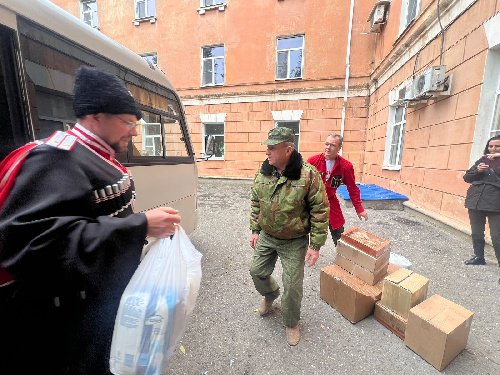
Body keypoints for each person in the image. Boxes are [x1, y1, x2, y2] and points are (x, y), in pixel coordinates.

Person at [0, 66, 181, 374]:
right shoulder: (55, 158)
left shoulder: (94, 155)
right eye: (127, 122)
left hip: (99, 310)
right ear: (96, 116)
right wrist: (139, 226)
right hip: (68, 327)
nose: (134, 131)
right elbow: (37, 245)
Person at [249, 127, 330, 346]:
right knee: (257, 271)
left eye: (272, 148)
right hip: (268, 234)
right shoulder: (263, 172)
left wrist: (316, 245)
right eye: (267, 147)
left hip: (294, 240)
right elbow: (256, 202)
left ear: (288, 149)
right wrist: (255, 230)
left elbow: (320, 210)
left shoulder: (308, 174)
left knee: (293, 284)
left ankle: (291, 322)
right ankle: (270, 294)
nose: (268, 152)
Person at [307, 133, 368, 246]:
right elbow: (302, 184)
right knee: (302, 228)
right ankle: (303, 253)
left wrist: (359, 209)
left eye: (332, 145)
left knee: (338, 229)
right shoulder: (312, 161)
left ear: (339, 148)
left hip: (330, 201)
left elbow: (352, 188)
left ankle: (342, 255)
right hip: (312, 201)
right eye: (326, 144)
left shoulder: (345, 166)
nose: (328, 148)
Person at [463, 135, 500, 283]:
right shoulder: (482, 160)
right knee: (477, 233)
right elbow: (467, 177)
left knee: (497, 237)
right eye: (491, 146)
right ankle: (479, 257)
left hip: (495, 204)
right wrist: (477, 170)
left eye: (497, 146)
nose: (493, 149)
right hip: (475, 202)